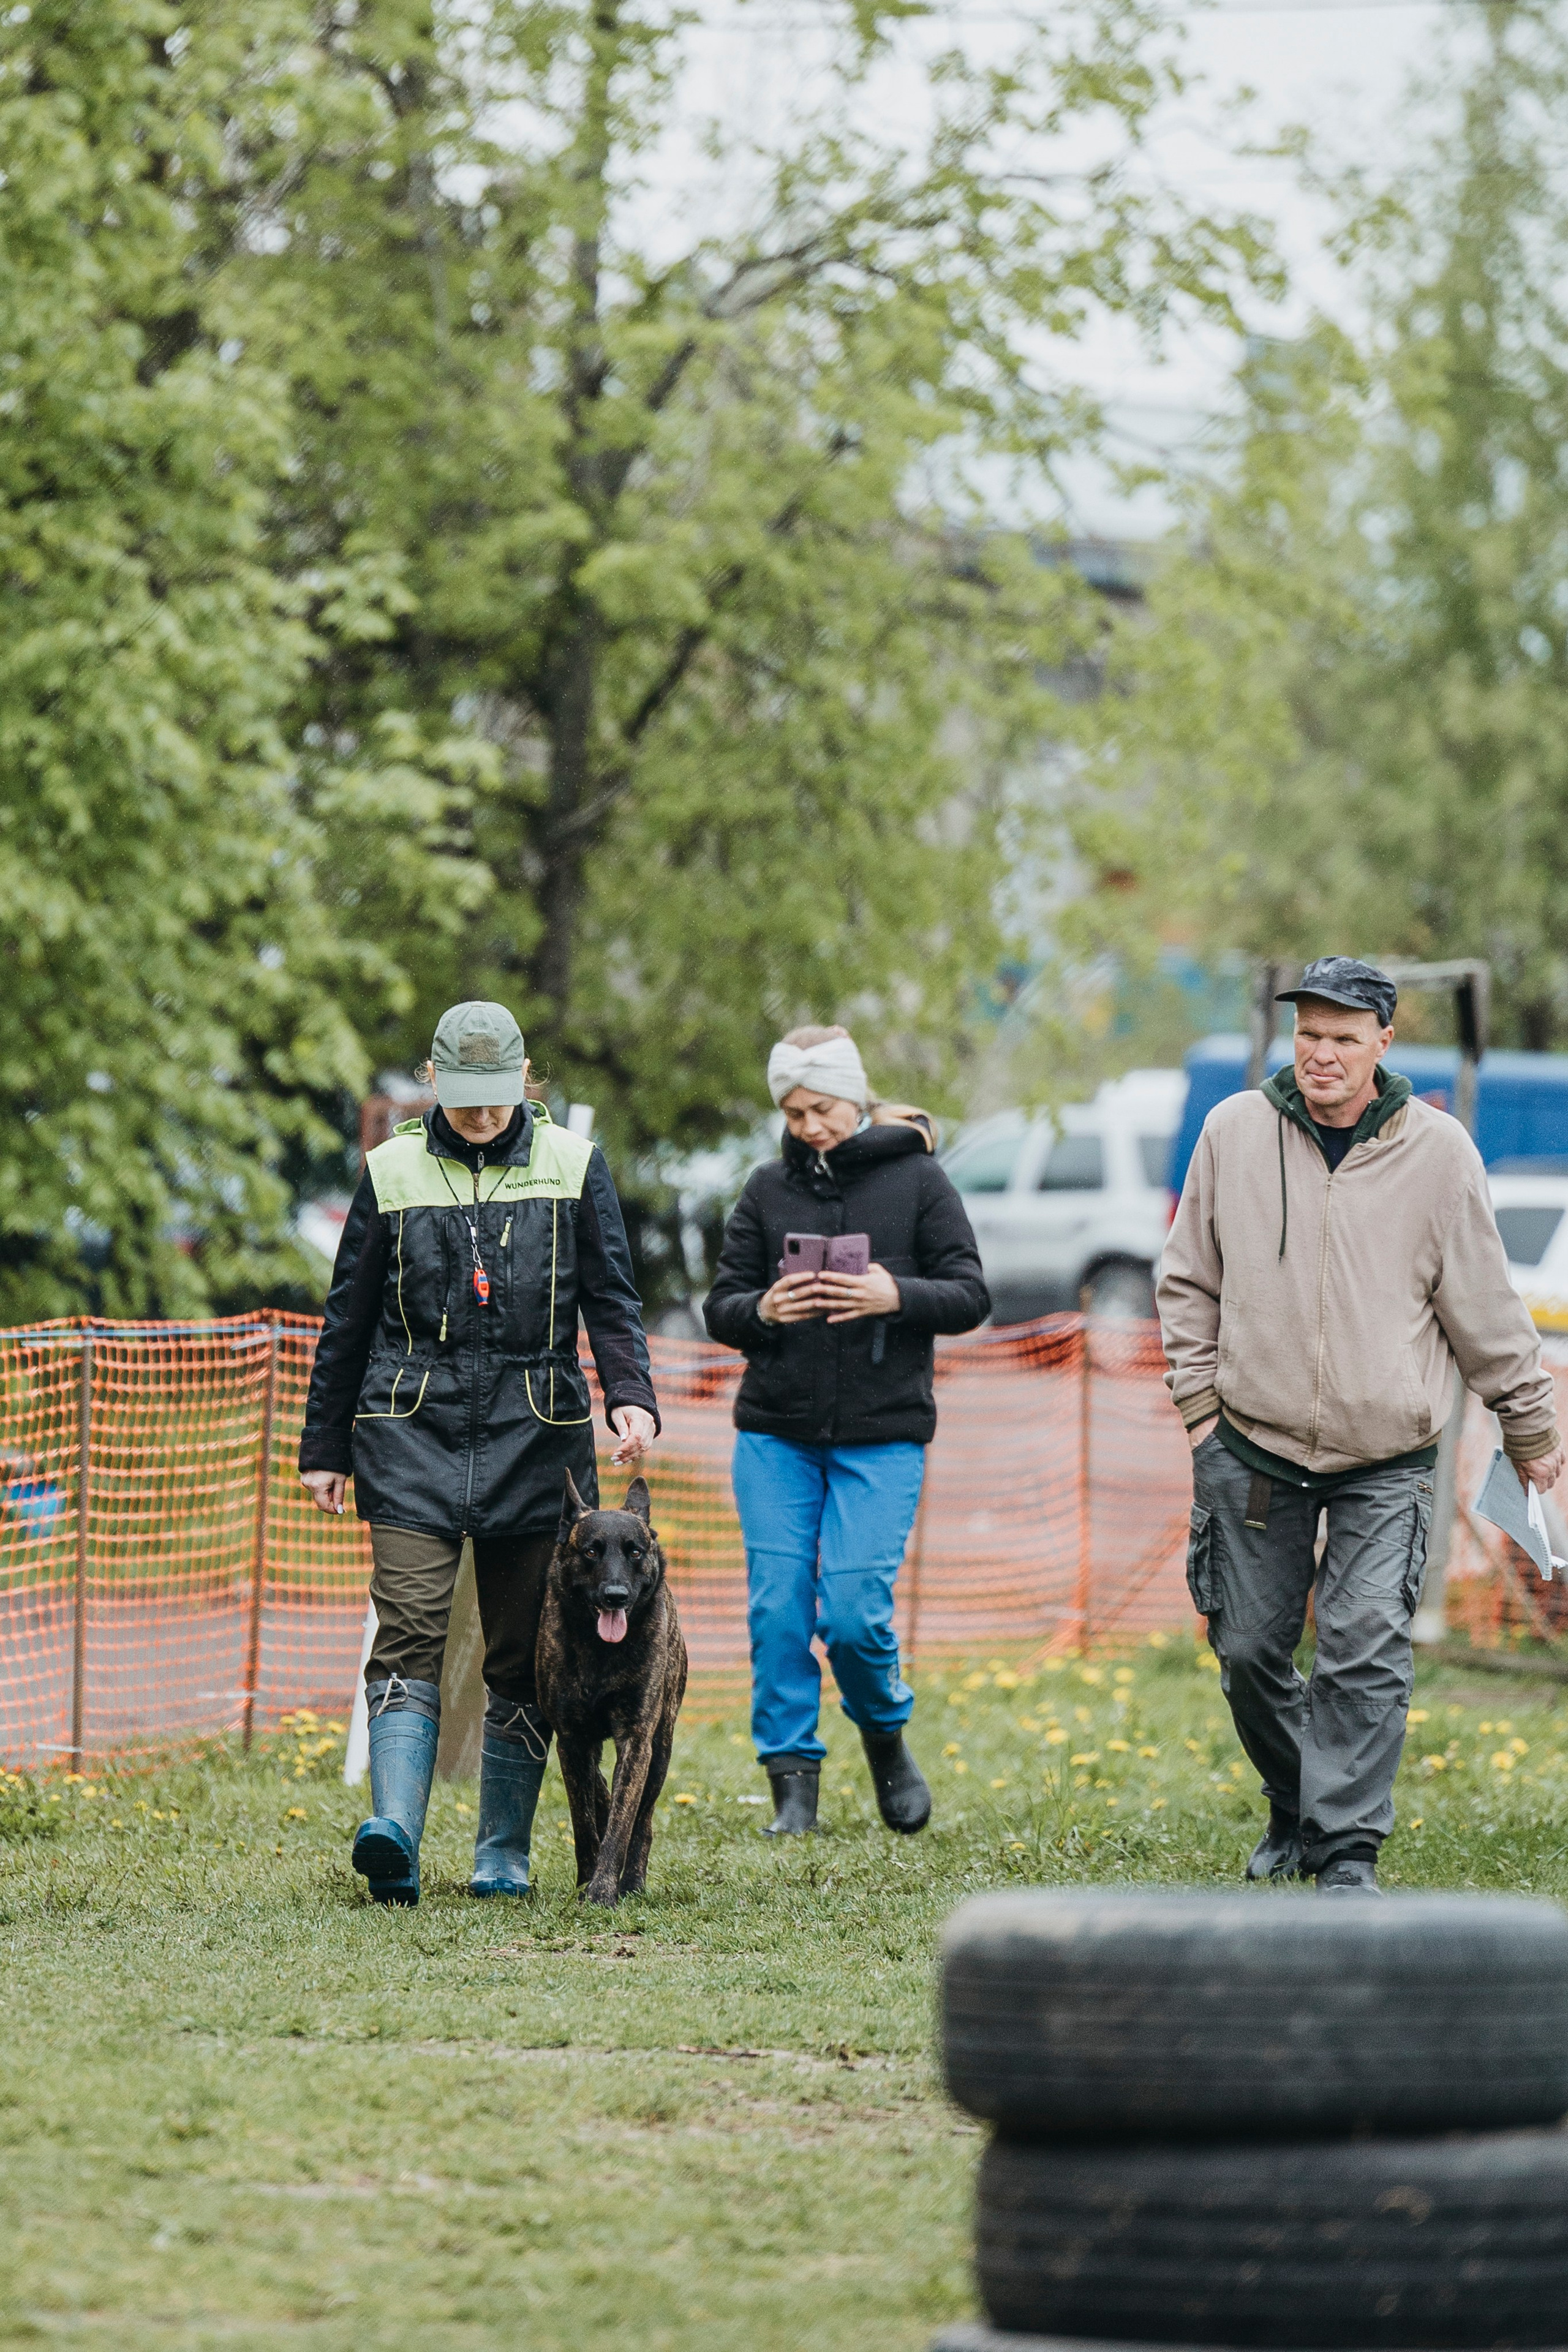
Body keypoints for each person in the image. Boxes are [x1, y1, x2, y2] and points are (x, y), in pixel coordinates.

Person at [1158, 956, 1564, 1895]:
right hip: (1251, 1445)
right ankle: (1296, 1799)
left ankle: (1345, 1851)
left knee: (1365, 1645)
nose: (1323, 1054)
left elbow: (1484, 1305)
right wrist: (1201, 1415)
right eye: (1310, 1034)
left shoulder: (1440, 1153)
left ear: (1384, 1042)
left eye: (1344, 1038)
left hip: (1387, 1457)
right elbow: (1187, 1281)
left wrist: (1530, 1426)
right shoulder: (1233, 1132)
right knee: (1249, 1650)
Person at [298, 1001, 659, 1905]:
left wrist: (632, 1397)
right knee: (408, 1629)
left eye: (497, 1095)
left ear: (524, 1080)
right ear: (434, 1082)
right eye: (464, 1096)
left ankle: (503, 1853)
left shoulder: (574, 1163)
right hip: (407, 1432)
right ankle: (394, 1835)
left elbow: (612, 1298)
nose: (483, 1112)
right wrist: (325, 1443)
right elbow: (348, 1317)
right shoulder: (390, 1171)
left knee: (520, 1655)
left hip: (537, 1441)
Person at [704, 1025, 989, 1837]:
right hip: (776, 1436)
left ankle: (885, 1739)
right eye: (793, 1114)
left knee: (855, 1613)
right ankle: (792, 1785)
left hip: (882, 1434)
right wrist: (763, 1309)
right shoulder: (767, 1190)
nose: (810, 1127)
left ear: (855, 1098)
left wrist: (894, 1295)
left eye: (822, 1109)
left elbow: (971, 1294)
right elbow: (721, 1307)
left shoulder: (920, 1180)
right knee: (779, 1614)